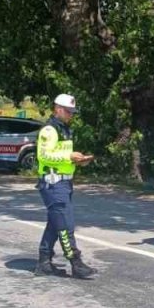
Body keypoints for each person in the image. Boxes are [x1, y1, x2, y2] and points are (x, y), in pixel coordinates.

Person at [34, 94, 98, 279]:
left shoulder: (64, 130)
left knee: (55, 224)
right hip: (53, 183)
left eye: (72, 112)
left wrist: (77, 161)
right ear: (58, 109)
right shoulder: (49, 130)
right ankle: (75, 263)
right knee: (65, 225)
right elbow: (44, 156)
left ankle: (44, 262)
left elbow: (60, 156)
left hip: (64, 182)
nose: (71, 115)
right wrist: (69, 157)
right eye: (68, 111)